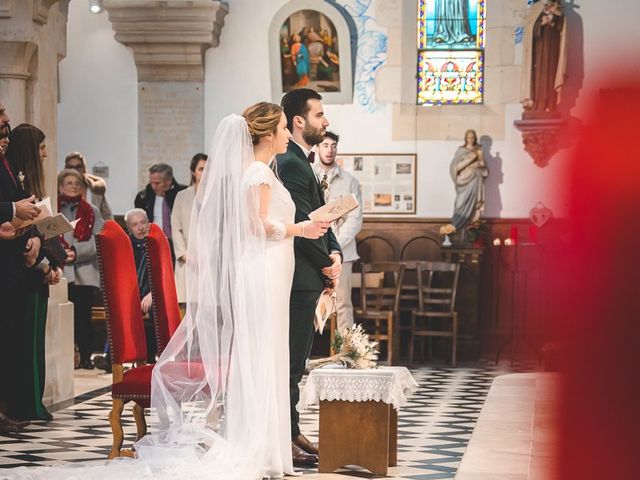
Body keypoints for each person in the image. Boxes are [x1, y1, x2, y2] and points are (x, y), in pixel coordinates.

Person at [276, 88, 343, 463]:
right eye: (319, 115)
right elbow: (303, 224)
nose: (326, 121)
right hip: (298, 278)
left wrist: (335, 252)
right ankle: (285, 437)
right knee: (289, 363)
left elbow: (324, 219)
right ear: (298, 121)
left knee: (295, 362)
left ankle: (292, 430)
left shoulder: (302, 161)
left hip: (309, 273)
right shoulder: (290, 163)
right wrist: (325, 267)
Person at [5, 124, 61, 421]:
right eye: (41, 148)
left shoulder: (24, 182)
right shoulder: (14, 182)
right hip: (20, 274)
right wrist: (42, 261)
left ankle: (31, 403)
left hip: (33, 272)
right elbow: (21, 228)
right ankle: (23, 404)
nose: (45, 154)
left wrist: (50, 261)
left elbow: (41, 227)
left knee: (33, 344)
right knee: (20, 346)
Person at [0, 105, 41, 434]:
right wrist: (15, 209)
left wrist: (34, 237)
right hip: (5, 266)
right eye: (1, 113)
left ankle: (6, 407)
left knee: (8, 339)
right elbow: (10, 204)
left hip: (12, 260)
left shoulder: (6, 163)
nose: (6, 118)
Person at [313, 131, 363, 331]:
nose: (329, 150)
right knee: (311, 301)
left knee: (342, 304)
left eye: (333, 145)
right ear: (317, 148)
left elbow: (355, 219)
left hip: (343, 253)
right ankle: (306, 356)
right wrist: (319, 246)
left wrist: (334, 248)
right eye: (325, 145)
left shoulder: (350, 181)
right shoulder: (311, 175)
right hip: (314, 250)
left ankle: (346, 353)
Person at [58, 168, 105, 370]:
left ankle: (85, 355)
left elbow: (98, 240)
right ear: (60, 186)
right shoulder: (54, 208)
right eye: (69, 182)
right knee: (63, 318)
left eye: (77, 183)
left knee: (83, 318)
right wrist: (60, 253)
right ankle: (67, 356)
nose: (73, 186)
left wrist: (76, 252)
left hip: (84, 272)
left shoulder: (91, 211)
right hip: (60, 269)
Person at [171, 153, 207, 305]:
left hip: (209, 261)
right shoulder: (182, 196)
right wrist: (185, 255)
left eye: (208, 169)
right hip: (187, 260)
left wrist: (210, 256)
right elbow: (176, 227)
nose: (205, 173)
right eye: (201, 169)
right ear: (193, 171)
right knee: (187, 305)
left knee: (208, 305)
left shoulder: (217, 196)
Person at [521, 0, 567, 111]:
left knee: (551, 75)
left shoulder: (558, 10)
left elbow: (562, 28)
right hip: (537, 52)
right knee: (537, 78)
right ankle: (536, 104)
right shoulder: (535, 8)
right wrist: (541, 23)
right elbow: (529, 29)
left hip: (552, 50)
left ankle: (550, 104)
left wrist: (554, 19)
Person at [134, 163, 186, 260]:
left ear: (169, 180)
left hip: (177, 245)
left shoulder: (182, 194)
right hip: (153, 243)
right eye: (151, 182)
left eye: (157, 183)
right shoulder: (143, 197)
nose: (153, 186)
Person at [450, 129, 489, 232]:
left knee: (474, 206)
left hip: (475, 181)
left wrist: (479, 159)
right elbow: (456, 167)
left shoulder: (478, 150)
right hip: (463, 182)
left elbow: (483, 166)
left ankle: (471, 226)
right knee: (460, 204)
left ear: (475, 138)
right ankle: (456, 226)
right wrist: (472, 158)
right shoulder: (461, 150)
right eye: (468, 137)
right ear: (465, 138)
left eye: (472, 137)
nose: (470, 139)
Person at [64, 152, 113, 220]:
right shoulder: (61, 191)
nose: (75, 170)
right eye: (71, 167)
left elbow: (108, 216)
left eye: (78, 167)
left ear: (84, 169)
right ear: (66, 170)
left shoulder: (95, 191)